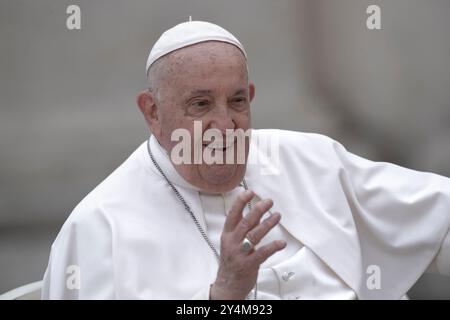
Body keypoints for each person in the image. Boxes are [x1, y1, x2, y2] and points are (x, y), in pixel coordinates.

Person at [42, 20, 450, 300]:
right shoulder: (99, 227)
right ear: (152, 112)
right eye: (200, 105)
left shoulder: (310, 160)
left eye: (236, 101)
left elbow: (438, 218)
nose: (226, 125)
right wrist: (224, 293)